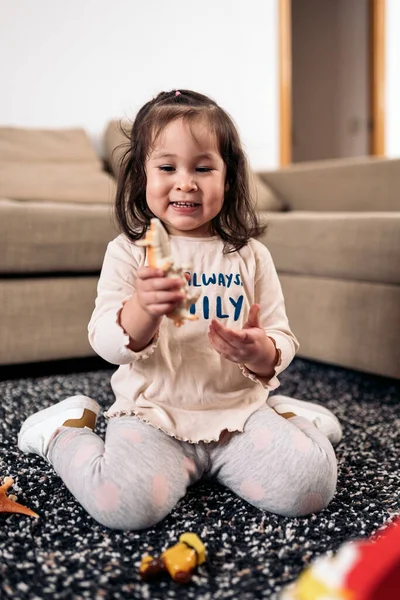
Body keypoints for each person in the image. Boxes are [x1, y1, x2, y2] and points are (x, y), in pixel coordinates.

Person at [18, 90, 342, 530]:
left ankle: (289, 416)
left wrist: (259, 351)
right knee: (125, 507)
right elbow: (107, 343)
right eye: (167, 167)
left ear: (228, 179)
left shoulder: (249, 256)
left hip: (239, 414)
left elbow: (282, 338)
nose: (185, 182)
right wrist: (142, 311)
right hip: (154, 416)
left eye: (203, 168)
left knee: (311, 487)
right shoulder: (129, 254)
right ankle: (63, 431)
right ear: (141, 177)